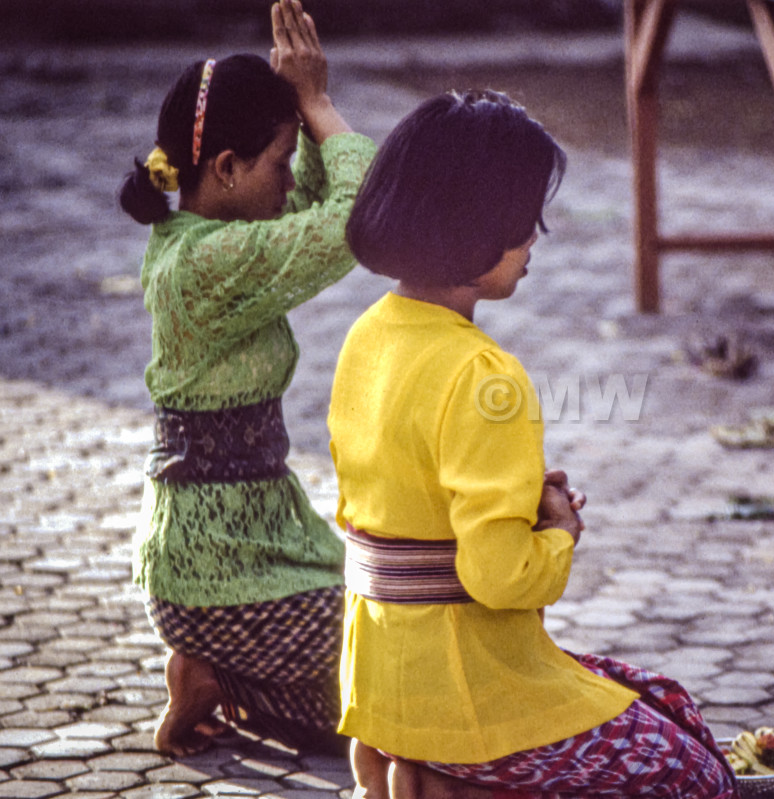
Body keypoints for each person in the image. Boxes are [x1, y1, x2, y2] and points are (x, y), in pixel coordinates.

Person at [329, 90, 736, 799]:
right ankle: (471, 786)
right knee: (699, 774)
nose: (533, 240)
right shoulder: (485, 374)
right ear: (473, 233)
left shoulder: (367, 336)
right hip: (469, 700)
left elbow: (406, 501)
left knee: (663, 700)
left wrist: (520, 497)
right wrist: (558, 533)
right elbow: (501, 577)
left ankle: (422, 770)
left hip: (385, 687)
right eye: (523, 224)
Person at [119, 0, 377, 757]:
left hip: (255, 554)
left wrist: (300, 110)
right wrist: (318, 103)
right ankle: (212, 660)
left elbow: (324, 203)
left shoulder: (215, 232)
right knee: (392, 668)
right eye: (279, 162)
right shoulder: (203, 265)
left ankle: (211, 678)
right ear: (226, 169)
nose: (288, 179)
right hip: (219, 574)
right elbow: (355, 218)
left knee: (358, 694)